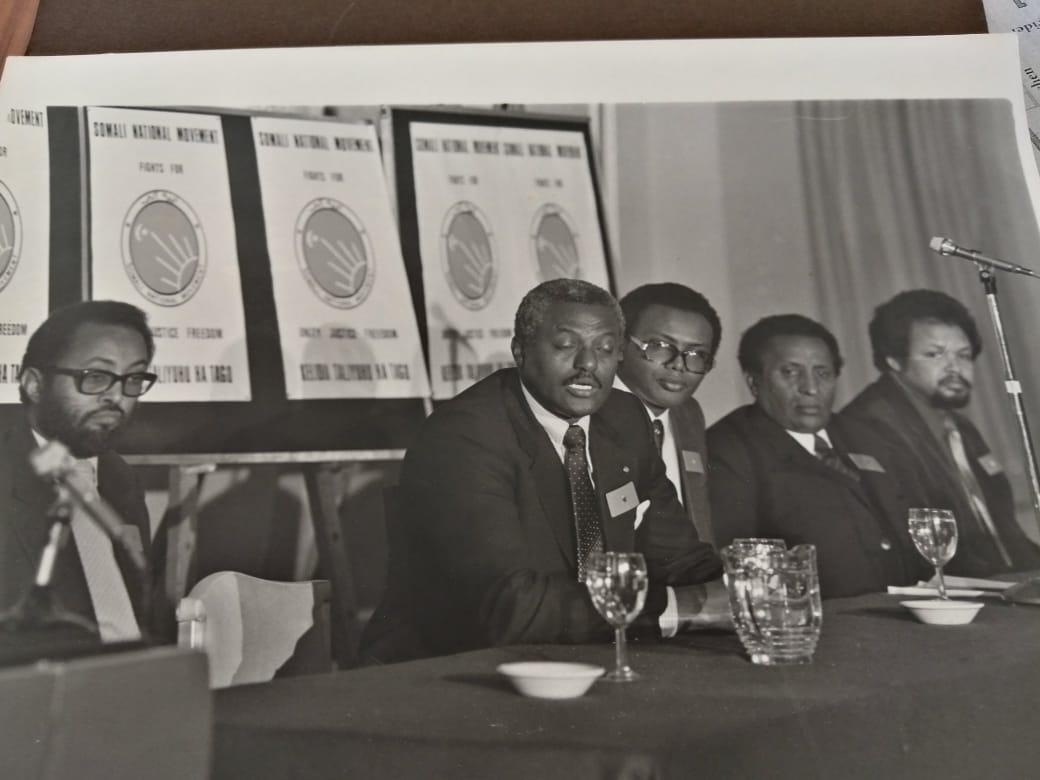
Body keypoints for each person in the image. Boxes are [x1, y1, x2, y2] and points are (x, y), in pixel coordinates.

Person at [363, 279, 727, 662]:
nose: (588, 364)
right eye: (566, 345)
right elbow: (508, 607)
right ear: (520, 351)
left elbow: (680, 557)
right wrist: (682, 607)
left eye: (604, 349)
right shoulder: (465, 436)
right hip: (455, 668)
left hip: (590, 655)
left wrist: (754, 589)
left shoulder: (625, 418)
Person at [707, 314, 926, 598]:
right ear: (754, 382)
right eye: (790, 372)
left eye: (823, 373)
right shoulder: (728, 449)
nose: (810, 388)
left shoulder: (868, 437)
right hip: (818, 624)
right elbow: (742, 565)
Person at [840, 289, 1040, 576]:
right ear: (894, 360)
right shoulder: (867, 427)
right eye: (934, 354)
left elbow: (1003, 529)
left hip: (1003, 582)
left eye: (964, 355)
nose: (955, 367)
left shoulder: (960, 426)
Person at [0, 300, 166, 642]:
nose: (117, 397)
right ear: (34, 385)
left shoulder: (120, 478)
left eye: (133, 378)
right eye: (96, 377)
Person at [616, 283, 720, 544]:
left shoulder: (688, 414)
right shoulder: (584, 413)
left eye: (696, 355)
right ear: (617, 344)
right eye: (660, 346)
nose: (678, 365)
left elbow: (699, 522)